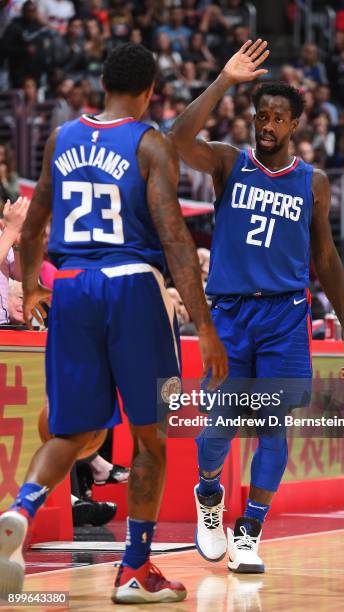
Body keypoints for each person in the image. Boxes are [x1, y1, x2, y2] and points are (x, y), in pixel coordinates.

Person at [0, 42, 228, 604]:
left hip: (72, 286)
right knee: (151, 439)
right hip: (132, 285)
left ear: (101, 84)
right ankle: (134, 569)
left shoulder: (61, 138)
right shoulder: (148, 143)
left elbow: (32, 230)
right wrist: (205, 324)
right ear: (150, 91)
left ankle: (20, 507)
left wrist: (31, 287)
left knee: (73, 430)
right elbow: (175, 240)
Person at [169, 40, 344, 574]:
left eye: (278, 117)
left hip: (283, 316)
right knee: (219, 426)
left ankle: (250, 531)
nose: (267, 124)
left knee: (273, 426)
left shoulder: (313, 183)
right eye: (261, 116)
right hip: (230, 314)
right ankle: (210, 497)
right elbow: (176, 138)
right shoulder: (229, 163)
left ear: (296, 123)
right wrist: (224, 81)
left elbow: (326, 257)